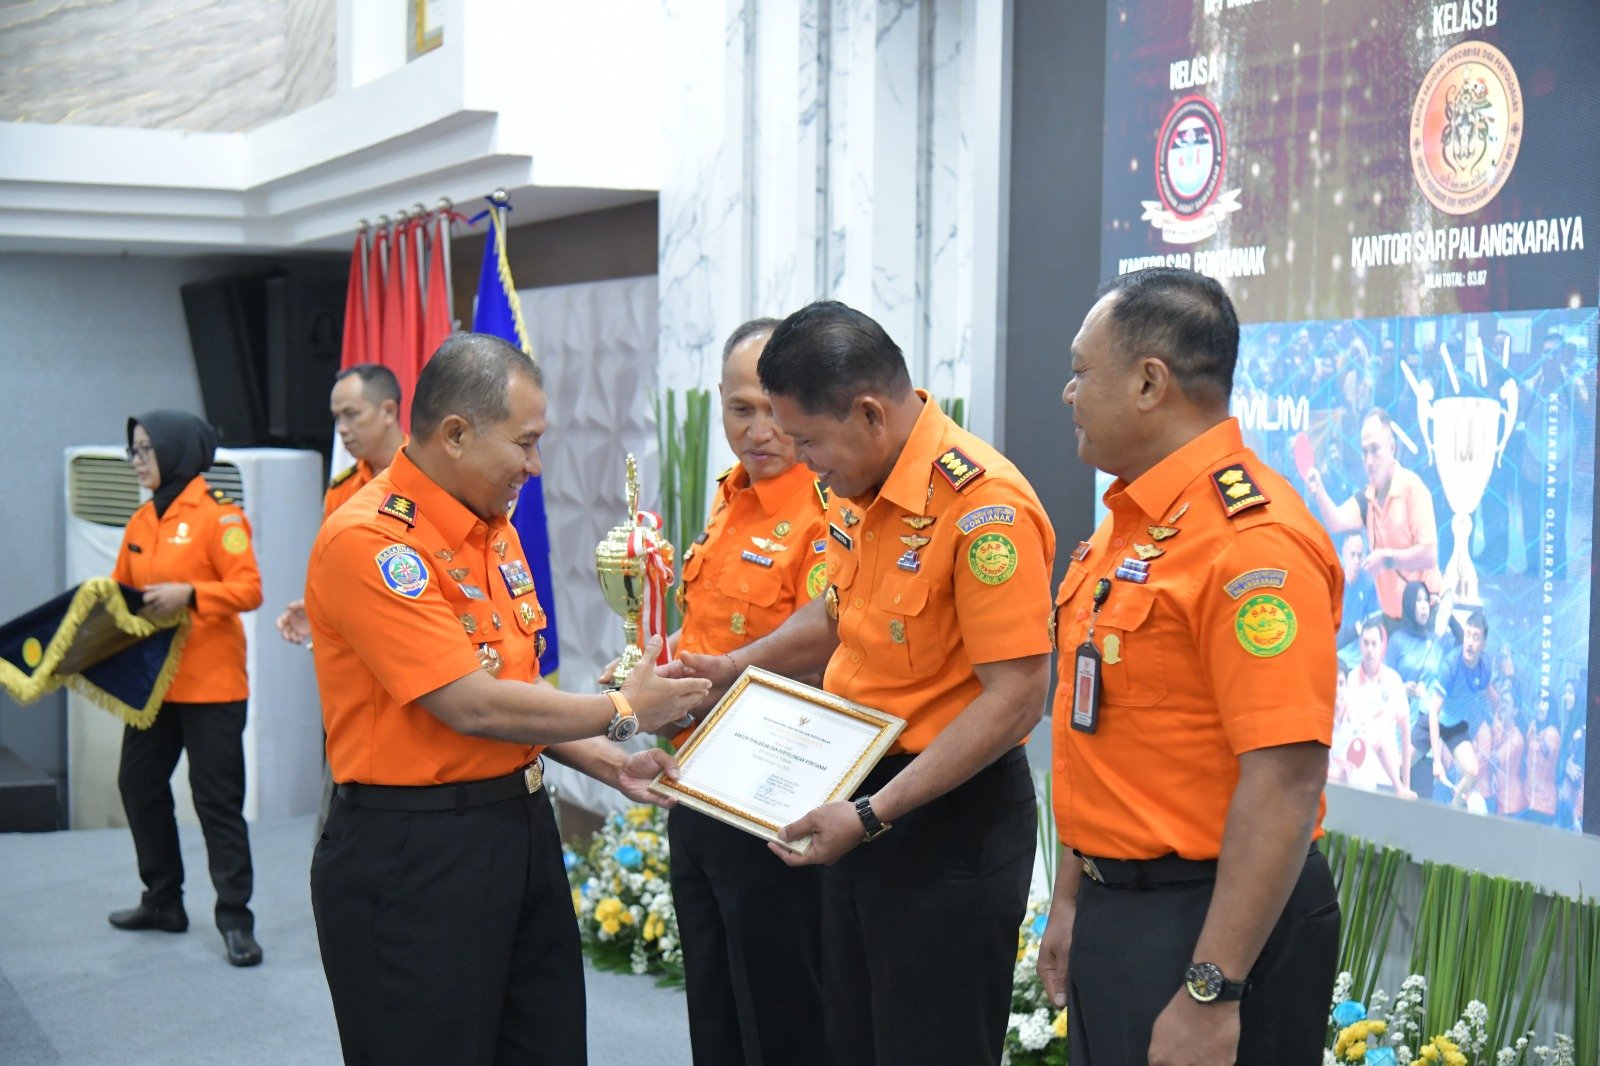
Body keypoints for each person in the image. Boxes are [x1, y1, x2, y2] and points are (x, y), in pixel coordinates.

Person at [304, 333, 711, 1063]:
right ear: (456, 434)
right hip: (414, 852)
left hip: (517, 828)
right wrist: (624, 714)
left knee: (544, 1046)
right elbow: (471, 704)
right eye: (524, 442)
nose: (535, 463)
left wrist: (602, 761)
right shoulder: (369, 541)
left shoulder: (492, 529)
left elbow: (516, 689)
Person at [674, 300, 1055, 1065]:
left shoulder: (982, 508)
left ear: (871, 413)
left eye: (808, 440)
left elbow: (1016, 697)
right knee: (849, 1042)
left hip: (944, 818)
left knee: (926, 1046)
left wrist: (876, 814)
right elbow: (839, 610)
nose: (801, 458)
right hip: (861, 801)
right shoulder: (862, 488)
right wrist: (731, 665)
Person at [1038, 268, 1341, 1065]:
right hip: (1119, 911)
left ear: (1149, 383)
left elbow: (1284, 781)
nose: (1069, 395)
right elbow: (1102, 735)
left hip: (1217, 925)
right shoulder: (1128, 524)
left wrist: (1213, 989)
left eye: (1080, 373)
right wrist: (1072, 898)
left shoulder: (1251, 543)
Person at [662, 317, 831, 1065]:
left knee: (783, 1018)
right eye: (741, 409)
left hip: (775, 800)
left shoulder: (829, 509)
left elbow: (827, 658)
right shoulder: (730, 500)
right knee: (714, 1005)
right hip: (698, 786)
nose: (760, 430)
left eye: (773, 408)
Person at [108, 411, 265, 968]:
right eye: (134, 451)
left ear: (176, 451)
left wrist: (190, 594)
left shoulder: (220, 518)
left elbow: (248, 590)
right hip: (155, 688)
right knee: (138, 786)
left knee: (215, 803)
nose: (136, 461)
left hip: (212, 687)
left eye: (146, 450)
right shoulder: (140, 522)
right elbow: (120, 597)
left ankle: (235, 919)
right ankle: (163, 901)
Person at [275, 364, 407, 644]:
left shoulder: (433, 476)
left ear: (388, 411)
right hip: (359, 645)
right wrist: (318, 609)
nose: (342, 430)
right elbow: (334, 570)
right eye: (337, 418)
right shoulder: (342, 490)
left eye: (352, 415)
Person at [1303, 408, 1441, 621]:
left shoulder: (1414, 489)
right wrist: (1319, 490)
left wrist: (1386, 560)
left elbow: (1429, 555)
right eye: (1364, 451)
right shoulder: (1366, 499)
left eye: (1375, 450)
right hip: (1392, 617)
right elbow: (1336, 521)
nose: (1368, 460)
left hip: (1425, 616)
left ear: (1392, 448)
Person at [1425, 609, 1492, 809]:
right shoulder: (1450, 665)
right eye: (1468, 635)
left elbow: (1484, 690)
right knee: (1406, 762)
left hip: (1454, 727)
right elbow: (1433, 712)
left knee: (1472, 771)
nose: (1470, 642)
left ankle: (1453, 808)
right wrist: (1437, 761)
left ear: (1483, 645)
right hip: (1430, 720)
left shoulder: (1485, 667)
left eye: (1476, 637)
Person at [1336, 624, 1414, 797]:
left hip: (1388, 776)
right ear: (1360, 645)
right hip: (1358, 776)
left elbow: (1405, 732)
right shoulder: (1349, 680)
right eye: (1365, 643)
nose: (1369, 649)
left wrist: (1405, 783)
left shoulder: (1394, 681)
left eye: (1374, 643)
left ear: (1382, 647)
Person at [1387, 580, 1444, 797]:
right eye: (1418, 600)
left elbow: (1460, 639)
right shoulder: (1397, 641)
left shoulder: (1436, 641)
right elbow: (1383, 688)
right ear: (1409, 605)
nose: (1423, 606)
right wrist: (1405, 689)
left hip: (1425, 740)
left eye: (1425, 600)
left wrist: (1443, 606)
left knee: (1420, 813)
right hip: (1398, 735)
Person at [1524, 688, 1563, 825]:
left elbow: (1546, 750)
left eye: (1544, 704)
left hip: (1543, 803)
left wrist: (1537, 735)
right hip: (1528, 798)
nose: (1540, 708)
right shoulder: (1533, 726)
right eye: (1538, 703)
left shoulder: (1552, 733)